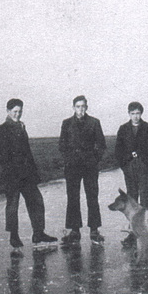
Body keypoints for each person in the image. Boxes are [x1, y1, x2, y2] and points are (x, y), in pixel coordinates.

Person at [0, 98, 58, 249]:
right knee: (13, 205)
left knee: (36, 201)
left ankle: (38, 233)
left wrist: (33, 172)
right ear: (8, 111)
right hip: (12, 175)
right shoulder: (2, 129)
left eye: (20, 111)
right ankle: (14, 236)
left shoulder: (21, 127)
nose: (18, 114)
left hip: (27, 175)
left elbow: (27, 152)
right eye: (15, 111)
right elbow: (3, 156)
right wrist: (12, 173)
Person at [59, 95, 107, 246]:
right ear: (73, 107)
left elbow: (101, 144)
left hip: (89, 166)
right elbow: (62, 145)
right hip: (72, 167)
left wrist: (94, 159)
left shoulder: (94, 122)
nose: (80, 109)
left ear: (87, 107)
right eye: (78, 106)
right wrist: (69, 159)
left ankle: (94, 230)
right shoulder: (66, 123)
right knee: (73, 197)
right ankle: (74, 230)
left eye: (83, 106)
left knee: (92, 197)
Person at [114, 101, 148, 247]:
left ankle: (147, 232)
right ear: (129, 114)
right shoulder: (123, 129)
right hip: (130, 168)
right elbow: (118, 150)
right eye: (133, 114)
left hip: (143, 167)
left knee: (145, 197)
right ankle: (133, 232)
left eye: (138, 113)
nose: (135, 116)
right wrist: (125, 165)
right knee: (132, 199)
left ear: (141, 113)